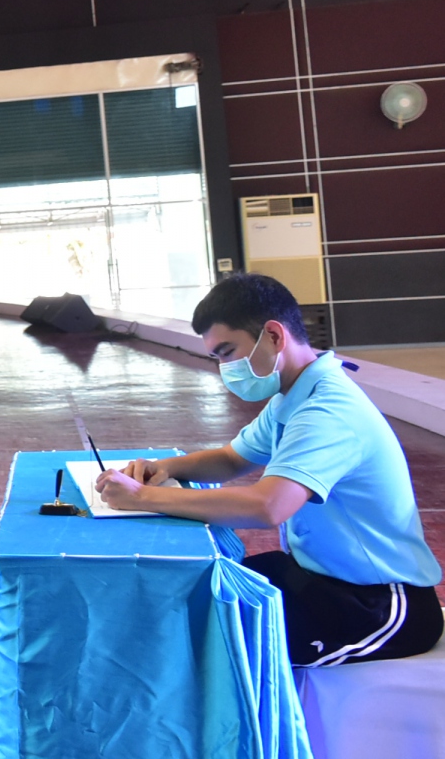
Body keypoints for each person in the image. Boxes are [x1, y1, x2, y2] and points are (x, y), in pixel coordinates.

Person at [97, 273, 443, 666]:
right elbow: (231, 459)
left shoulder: (328, 411)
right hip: (315, 575)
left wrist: (144, 497)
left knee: (202, 644)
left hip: (380, 604)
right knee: (189, 593)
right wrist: (162, 468)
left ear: (274, 336)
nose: (225, 367)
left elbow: (268, 507)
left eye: (228, 352)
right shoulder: (292, 397)